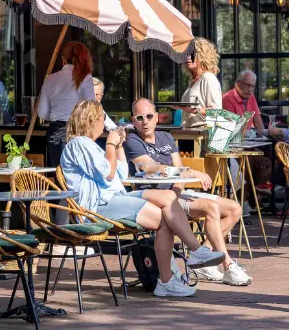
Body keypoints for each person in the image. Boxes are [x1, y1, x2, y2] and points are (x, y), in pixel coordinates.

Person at [59, 100, 225, 298]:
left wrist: (119, 145)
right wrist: (111, 143)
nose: (104, 124)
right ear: (91, 120)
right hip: (97, 207)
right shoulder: (79, 143)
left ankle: (193, 255)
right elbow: (107, 174)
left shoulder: (90, 145)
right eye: (102, 120)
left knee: (168, 197)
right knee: (165, 220)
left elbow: (120, 172)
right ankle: (169, 278)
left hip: (115, 197)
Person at [122, 98, 251, 286]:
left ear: (157, 118)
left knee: (234, 209)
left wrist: (175, 192)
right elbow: (151, 167)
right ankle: (227, 265)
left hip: (175, 194)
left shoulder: (166, 138)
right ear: (134, 120)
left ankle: (204, 260)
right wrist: (186, 176)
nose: (145, 121)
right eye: (140, 118)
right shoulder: (132, 140)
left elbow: (179, 171)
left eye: (149, 116)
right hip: (154, 198)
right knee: (210, 207)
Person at [37, 42, 96, 167]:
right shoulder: (85, 78)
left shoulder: (50, 79)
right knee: (75, 176)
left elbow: (42, 113)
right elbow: (92, 108)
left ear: (63, 58)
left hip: (55, 131)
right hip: (76, 131)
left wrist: (57, 114)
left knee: (58, 176)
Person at [180, 37, 223, 127]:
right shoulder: (193, 80)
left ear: (203, 56)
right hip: (189, 132)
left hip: (202, 134)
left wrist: (194, 110)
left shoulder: (208, 78)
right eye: (186, 54)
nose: (188, 57)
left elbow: (216, 111)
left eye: (192, 54)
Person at [223, 71, 267, 137]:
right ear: (237, 83)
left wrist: (265, 133)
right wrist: (254, 134)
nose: (250, 90)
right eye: (247, 85)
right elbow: (234, 131)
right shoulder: (227, 99)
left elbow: (259, 125)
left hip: (248, 142)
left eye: (252, 86)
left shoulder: (251, 97)